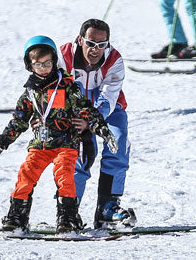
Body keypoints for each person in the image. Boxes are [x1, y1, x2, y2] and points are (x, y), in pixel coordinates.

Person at [0, 36, 117, 234]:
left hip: (65, 144)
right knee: (26, 174)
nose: (44, 68)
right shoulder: (30, 93)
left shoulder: (68, 87)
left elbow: (86, 109)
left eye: (48, 63)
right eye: (38, 64)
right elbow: (18, 121)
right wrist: (2, 142)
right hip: (40, 145)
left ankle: (67, 218)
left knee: (65, 176)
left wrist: (100, 127)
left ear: (54, 61)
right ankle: (17, 217)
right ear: (30, 65)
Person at [55, 19, 136, 229]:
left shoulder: (114, 59)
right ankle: (69, 209)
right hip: (74, 107)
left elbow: (109, 97)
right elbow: (56, 91)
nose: (95, 50)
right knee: (78, 151)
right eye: (90, 43)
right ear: (80, 39)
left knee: (117, 142)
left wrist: (90, 120)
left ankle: (107, 207)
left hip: (107, 108)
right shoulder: (64, 56)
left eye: (101, 45)